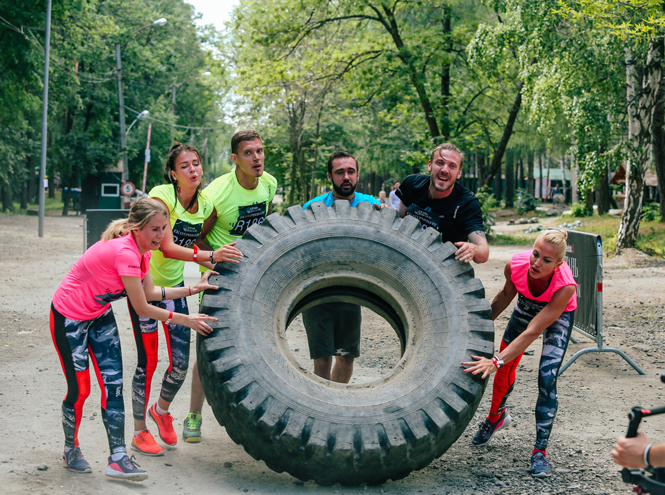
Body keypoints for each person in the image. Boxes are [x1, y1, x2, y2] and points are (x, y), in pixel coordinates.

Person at [50, 199, 219, 480]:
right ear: (134, 228)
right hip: (69, 317)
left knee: (113, 385)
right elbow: (141, 308)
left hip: (98, 314)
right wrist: (185, 320)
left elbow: (151, 294)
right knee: (80, 390)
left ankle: (117, 458)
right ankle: (71, 448)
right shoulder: (125, 253)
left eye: (164, 228)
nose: (160, 235)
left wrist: (192, 289)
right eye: (154, 229)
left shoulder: (144, 253)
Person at [128, 144, 242, 456]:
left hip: (175, 288)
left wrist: (227, 267)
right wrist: (209, 255)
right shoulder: (161, 196)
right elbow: (165, 248)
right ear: (174, 173)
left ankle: (161, 411)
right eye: (185, 166)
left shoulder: (205, 204)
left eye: (196, 164)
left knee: (179, 362)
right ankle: (139, 431)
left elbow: (196, 250)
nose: (193, 170)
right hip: (145, 287)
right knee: (148, 363)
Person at [184, 129, 277, 442]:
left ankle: (253, 419)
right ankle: (193, 416)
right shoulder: (217, 193)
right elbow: (196, 236)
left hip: (256, 278)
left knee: (258, 349)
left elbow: (264, 224)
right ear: (235, 159)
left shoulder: (269, 183)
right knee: (209, 348)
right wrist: (215, 265)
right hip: (221, 278)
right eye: (249, 153)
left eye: (260, 151)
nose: (257, 158)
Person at [461, 229, 577, 477]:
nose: (536, 263)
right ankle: (495, 419)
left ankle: (540, 452)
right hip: (526, 303)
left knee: (547, 378)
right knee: (503, 370)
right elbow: (503, 297)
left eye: (546, 260)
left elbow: (532, 332)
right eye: (535, 254)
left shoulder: (565, 286)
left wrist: (495, 360)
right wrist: (470, 333)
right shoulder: (515, 265)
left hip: (557, 315)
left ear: (559, 263)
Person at [302, 151, 380, 383]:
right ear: (329, 176)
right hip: (317, 291)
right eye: (339, 172)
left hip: (351, 290)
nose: (346, 177)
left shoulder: (371, 206)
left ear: (357, 175)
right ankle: (324, 407)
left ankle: (338, 403)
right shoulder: (313, 207)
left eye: (350, 172)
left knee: (345, 358)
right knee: (322, 358)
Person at [396, 143, 489, 264]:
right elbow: (398, 222)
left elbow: (484, 252)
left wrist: (474, 249)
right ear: (430, 165)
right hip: (408, 255)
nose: (445, 170)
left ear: (459, 173)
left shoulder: (467, 203)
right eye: (440, 163)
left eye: (452, 166)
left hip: (444, 266)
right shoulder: (412, 184)